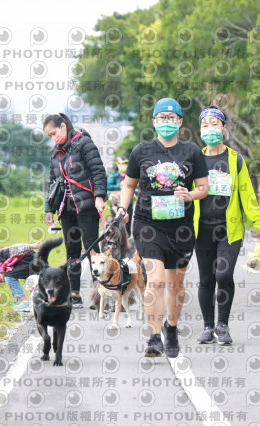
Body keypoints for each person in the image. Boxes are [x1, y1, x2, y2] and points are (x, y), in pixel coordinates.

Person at [115, 98, 209, 358]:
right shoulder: (141, 151)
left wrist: (190, 195)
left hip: (181, 228)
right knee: (154, 281)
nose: (166, 122)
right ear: (153, 121)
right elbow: (130, 184)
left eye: (172, 118)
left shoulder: (192, 152)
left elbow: (204, 188)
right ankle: (155, 336)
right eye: (161, 117)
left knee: (176, 284)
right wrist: (123, 208)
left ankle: (172, 327)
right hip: (148, 223)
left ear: (180, 122)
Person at [192, 106, 260, 345]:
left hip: (229, 228)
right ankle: (207, 327)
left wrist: (258, 222)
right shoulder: (196, 158)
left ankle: (222, 326)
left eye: (215, 124)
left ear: (224, 129)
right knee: (206, 279)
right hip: (201, 229)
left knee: (223, 275)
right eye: (205, 125)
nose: (210, 129)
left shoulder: (235, 159)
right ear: (200, 129)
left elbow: (247, 193)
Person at [43, 113, 107, 308]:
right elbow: (52, 182)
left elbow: (98, 170)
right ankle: (74, 292)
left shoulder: (84, 143)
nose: (53, 137)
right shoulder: (56, 153)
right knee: (72, 249)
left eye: (54, 132)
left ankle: (101, 294)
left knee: (91, 249)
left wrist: (99, 196)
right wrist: (50, 210)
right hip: (66, 208)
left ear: (63, 127)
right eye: (50, 136)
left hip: (87, 205)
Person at [0, 241, 43, 311]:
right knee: (9, 276)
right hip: (31, 263)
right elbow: (4, 274)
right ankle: (35, 297)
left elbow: (15, 248)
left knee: (9, 276)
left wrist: (33, 246)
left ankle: (24, 302)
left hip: (31, 261)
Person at [107, 156, 134, 236]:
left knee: (127, 224)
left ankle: (127, 243)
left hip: (129, 203)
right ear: (118, 164)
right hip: (116, 204)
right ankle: (117, 242)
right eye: (122, 163)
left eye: (126, 163)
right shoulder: (113, 176)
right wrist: (120, 187)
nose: (124, 165)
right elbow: (108, 186)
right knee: (116, 224)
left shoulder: (130, 175)